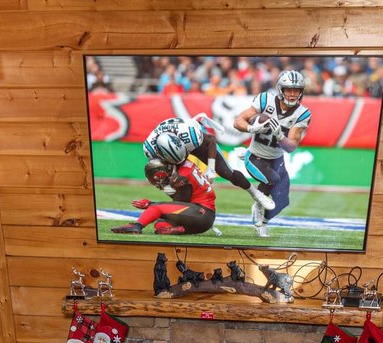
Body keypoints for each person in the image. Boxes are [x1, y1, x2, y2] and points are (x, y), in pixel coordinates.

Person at [231, 68, 311, 236]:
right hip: (255, 156)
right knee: (273, 179)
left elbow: (290, 147)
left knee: (282, 201)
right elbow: (238, 121)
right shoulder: (265, 100)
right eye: (289, 89)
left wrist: (280, 135)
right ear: (280, 90)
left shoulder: (302, 113)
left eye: (296, 90)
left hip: (277, 159)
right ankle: (258, 206)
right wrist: (252, 128)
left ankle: (262, 221)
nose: (292, 94)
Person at [142, 115, 274, 214]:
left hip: (192, 138)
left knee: (226, 172)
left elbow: (211, 140)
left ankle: (256, 194)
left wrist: (211, 168)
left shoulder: (190, 136)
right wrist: (165, 185)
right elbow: (153, 172)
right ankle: (185, 213)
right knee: (173, 180)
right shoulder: (150, 149)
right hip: (172, 150)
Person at [111, 157, 216, 235]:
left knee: (156, 208)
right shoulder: (184, 165)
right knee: (160, 224)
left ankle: (137, 226)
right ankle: (181, 229)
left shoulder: (179, 177)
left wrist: (151, 204)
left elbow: (181, 203)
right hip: (200, 218)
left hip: (201, 213)